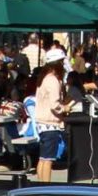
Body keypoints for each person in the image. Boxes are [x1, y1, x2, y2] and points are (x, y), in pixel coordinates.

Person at [31, 56, 66, 184]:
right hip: (50, 123)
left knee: (42, 158)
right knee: (48, 159)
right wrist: (64, 108)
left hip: (42, 122)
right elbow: (54, 104)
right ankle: (46, 186)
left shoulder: (44, 78)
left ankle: (40, 184)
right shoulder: (52, 80)